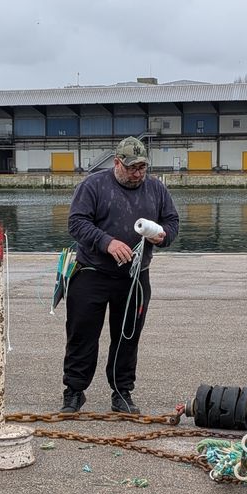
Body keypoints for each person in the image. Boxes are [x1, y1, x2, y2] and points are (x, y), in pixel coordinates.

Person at [61, 136, 180, 414]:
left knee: (128, 337)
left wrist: (164, 236)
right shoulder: (93, 186)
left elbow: (172, 221)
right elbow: (76, 223)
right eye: (132, 168)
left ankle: (122, 392)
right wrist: (106, 242)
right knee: (82, 334)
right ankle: (74, 391)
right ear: (116, 163)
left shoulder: (156, 189)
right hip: (92, 272)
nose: (138, 174)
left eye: (142, 168)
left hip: (135, 276)